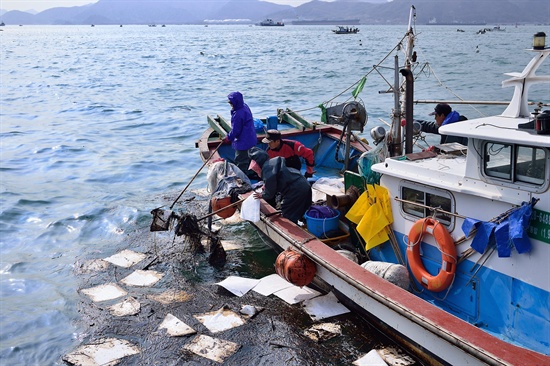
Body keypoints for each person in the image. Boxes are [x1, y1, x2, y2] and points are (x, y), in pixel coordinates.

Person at [248, 147, 312, 224]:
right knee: (303, 208)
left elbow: (269, 194)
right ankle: (306, 225)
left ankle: (294, 231)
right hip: (303, 183)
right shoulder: (272, 164)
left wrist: (262, 195)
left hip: (295, 189)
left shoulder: (267, 171)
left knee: (288, 212)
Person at [223, 91, 258, 179]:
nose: (230, 105)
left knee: (241, 160)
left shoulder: (237, 114)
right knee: (249, 158)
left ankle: (243, 178)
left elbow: (236, 131)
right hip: (251, 137)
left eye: (231, 103)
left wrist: (228, 137)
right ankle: (251, 173)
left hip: (243, 141)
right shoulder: (245, 106)